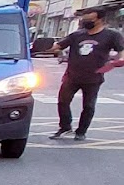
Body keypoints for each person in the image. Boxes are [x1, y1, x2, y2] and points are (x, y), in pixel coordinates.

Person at [50, 11, 124, 140]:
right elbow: (58, 46)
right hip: (72, 76)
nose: (86, 22)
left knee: (88, 106)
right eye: (84, 19)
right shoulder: (77, 35)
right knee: (63, 102)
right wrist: (51, 48)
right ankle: (65, 127)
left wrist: (119, 60)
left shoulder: (111, 35)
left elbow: (121, 51)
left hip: (94, 77)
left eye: (90, 19)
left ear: (100, 20)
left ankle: (81, 131)